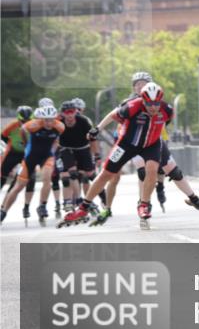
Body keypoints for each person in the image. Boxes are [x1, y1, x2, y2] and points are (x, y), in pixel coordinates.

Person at [61, 82, 171, 229]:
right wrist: (97, 129)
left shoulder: (167, 110)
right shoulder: (132, 106)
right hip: (126, 144)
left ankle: (144, 204)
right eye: (149, 103)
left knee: (152, 170)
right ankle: (83, 208)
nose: (153, 107)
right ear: (142, 99)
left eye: (156, 103)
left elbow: (164, 124)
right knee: (106, 174)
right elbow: (112, 115)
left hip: (151, 144)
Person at [0, 106, 64, 225]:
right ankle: (3, 211)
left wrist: (53, 150)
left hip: (47, 156)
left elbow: (57, 139)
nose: (49, 123)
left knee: (47, 177)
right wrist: (26, 144)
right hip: (30, 157)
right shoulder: (32, 125)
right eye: (46, 120)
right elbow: (23, 130)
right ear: (41, 119)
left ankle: (42, 205)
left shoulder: (60, 126)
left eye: (51, 119)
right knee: (19, 186)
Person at [53, 100, 99, 217]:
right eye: (67, 112)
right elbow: (53, 139)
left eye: (72, 112)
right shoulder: (58, 122)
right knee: (71, 175)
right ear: (62, 113)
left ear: (75, 112)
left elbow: (93, 139)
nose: (69, 115)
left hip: (83, 148)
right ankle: (73, 200)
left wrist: (96, 155)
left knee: (89, 175)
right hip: (66, 149)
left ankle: (96, 199)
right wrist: (51, 154)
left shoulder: (83, 121)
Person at [1, 106, 32, 192]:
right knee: (3, 173)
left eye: (28, 121)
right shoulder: (13, 125)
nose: (25, 123)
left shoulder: (34, 125)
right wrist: (10, 143)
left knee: (20, 175)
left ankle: (10, 194)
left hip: (26, 154)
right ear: (19, 119)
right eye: (23, 121)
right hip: (13, 152)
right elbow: (3, 136)